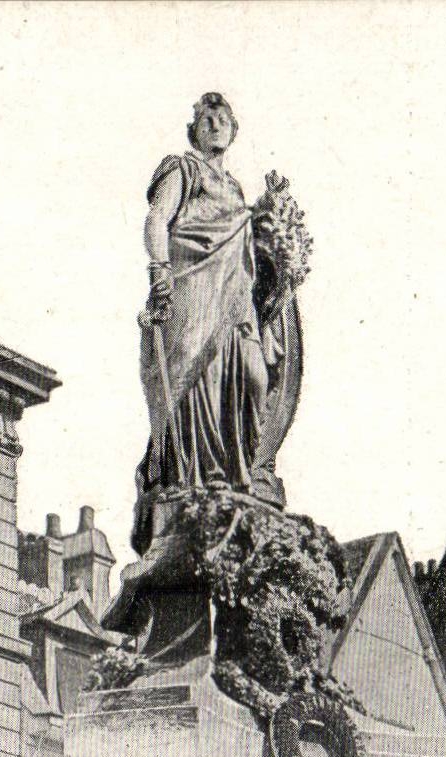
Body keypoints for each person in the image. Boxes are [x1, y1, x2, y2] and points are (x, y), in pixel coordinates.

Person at [136, 93, 270, 519]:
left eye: (222, 118)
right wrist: (159, 270)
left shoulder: (235, 190)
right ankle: (195, 475)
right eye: (206, 118)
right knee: (199, 383)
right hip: (193, 289)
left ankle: (238, 470)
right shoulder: (182, 167)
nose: (214, 124)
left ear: (233, 131)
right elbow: (158, 219)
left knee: (252, 375)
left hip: (233, 298)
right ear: (193, 129)